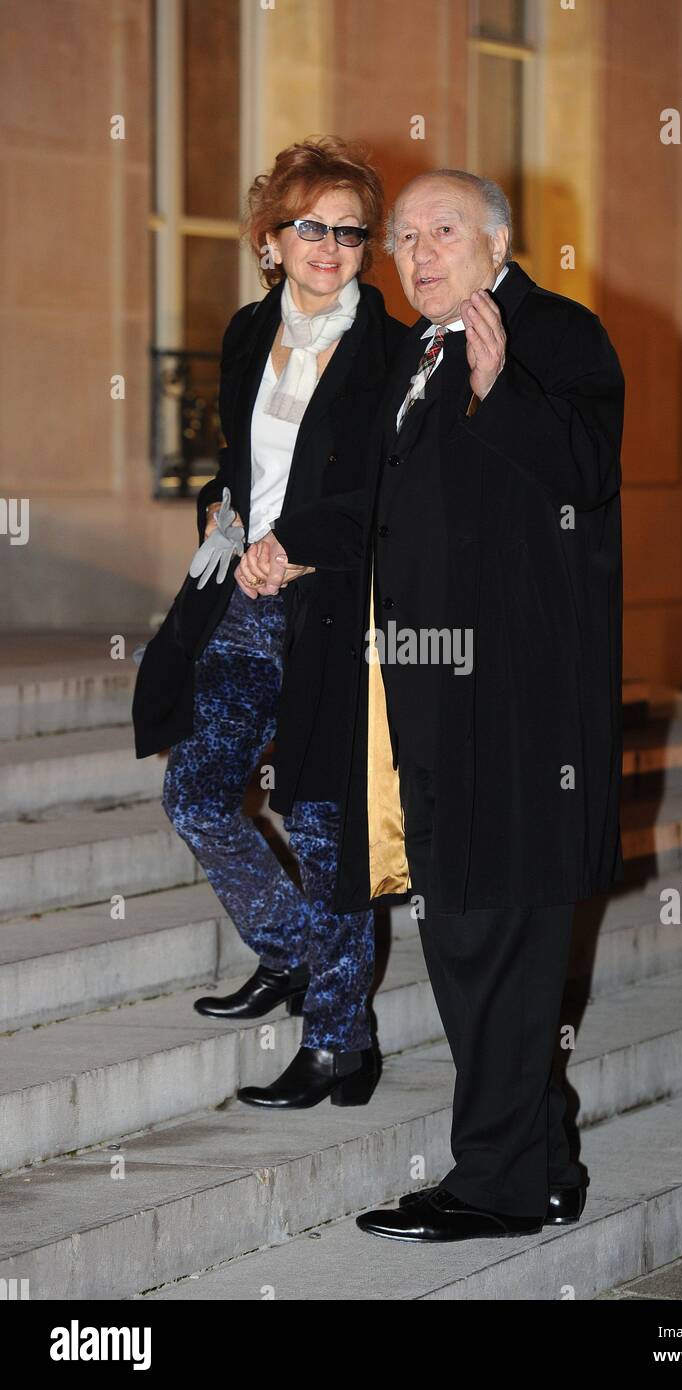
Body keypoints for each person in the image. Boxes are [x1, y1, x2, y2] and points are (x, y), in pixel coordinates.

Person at [252, 167, 625, 1240]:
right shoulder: (417, 357)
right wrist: (290, 545)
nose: (417, 253)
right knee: (476, 937)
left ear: (498, 239)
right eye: (404, 237)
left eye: (442, 230)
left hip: (520, 714)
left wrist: (503, 390)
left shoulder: (557, 335)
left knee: (490, 945)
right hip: (431, 696)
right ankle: (542, 1167)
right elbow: (369, 501)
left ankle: (496, 1183)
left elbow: (585, 474)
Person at [132, 138, 407, 1109]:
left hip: (332, 605)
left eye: (348, 230)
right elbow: (238, 464)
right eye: (310, 227)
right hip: (244, 599)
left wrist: (294, 541)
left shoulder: (389, 351)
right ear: (272, 239)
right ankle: (294, 953)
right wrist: (229, 517)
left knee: (327, 826)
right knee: (198, 792)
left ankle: (342, 1043)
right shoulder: (248, 334)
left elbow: (381, 492)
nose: (330, 246)